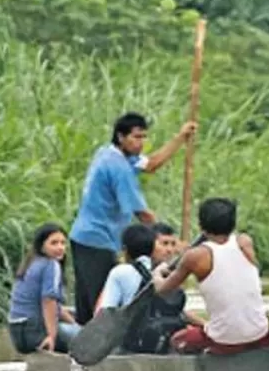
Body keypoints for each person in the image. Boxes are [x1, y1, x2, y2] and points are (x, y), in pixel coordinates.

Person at [69, 112, 197, 325]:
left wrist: (181, 138)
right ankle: (95, 345)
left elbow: (152, 164)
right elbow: (143, 214)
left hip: (86, 237)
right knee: (101, 301)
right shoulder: (118, 167)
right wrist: (166, 240)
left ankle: (84, 335)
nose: (141, 143)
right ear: (121, 137)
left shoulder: (110, 153)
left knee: (90, 299)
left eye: (144, 137)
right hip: (97, 239)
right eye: (136, 137)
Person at [151, 198, 269, 355]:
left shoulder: (195, 256)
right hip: (261, 335)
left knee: (177, 340)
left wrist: (157, 274)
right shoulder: (245, 241)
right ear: (233, 224)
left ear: (201, 226)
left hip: (224, 341)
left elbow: (162, 290)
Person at [96, 223, 203, 354]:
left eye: (172, 244)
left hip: (133, 343)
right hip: (162, 340)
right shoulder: (169, 274)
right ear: (152, 246)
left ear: (124, 250)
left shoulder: (121, 272)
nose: (169, 250)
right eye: (164, 244)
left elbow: (102, 312)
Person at [8, 223, 80, 354]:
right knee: (94, 341)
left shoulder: (30, 263)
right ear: (41, 246)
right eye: (54, 243)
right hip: (35, 332)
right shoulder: (51, 265)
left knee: (75, 312)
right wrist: (51, 336)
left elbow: (56, 307)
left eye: (63, 243)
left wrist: (75, 324)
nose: (60, 248)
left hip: (17, 333)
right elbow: (48, 302)